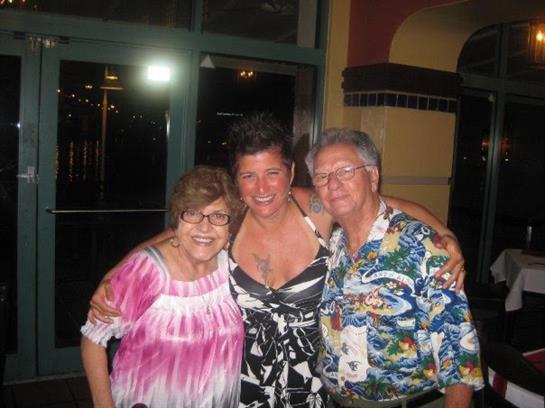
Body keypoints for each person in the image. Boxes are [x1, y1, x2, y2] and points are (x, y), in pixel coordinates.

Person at [88, 113, 466, 407]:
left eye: (272, 173)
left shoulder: (317, 210)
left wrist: (444, 234)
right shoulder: (230, 222)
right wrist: (114, 275)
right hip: (243, 391)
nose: (262, 188)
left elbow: (381, 203)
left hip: (314, 391)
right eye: (248, 176)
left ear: (291, 172)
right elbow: (177, 233)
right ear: (237, 181)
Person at [305, 129, 483, 408]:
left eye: (346, 171)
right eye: (322, 176)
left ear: (373, 176)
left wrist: (445, 232)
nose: (333, 184)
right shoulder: (332, 245)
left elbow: (460, 350)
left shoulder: (423, 246)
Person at [80, 166, 245, 408]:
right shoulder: (147, 270)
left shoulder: (231, 264)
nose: (205, 227)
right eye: (192, 213)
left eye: (218, 216)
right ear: (177, 220)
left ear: (230, 225)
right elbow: (92, 340)